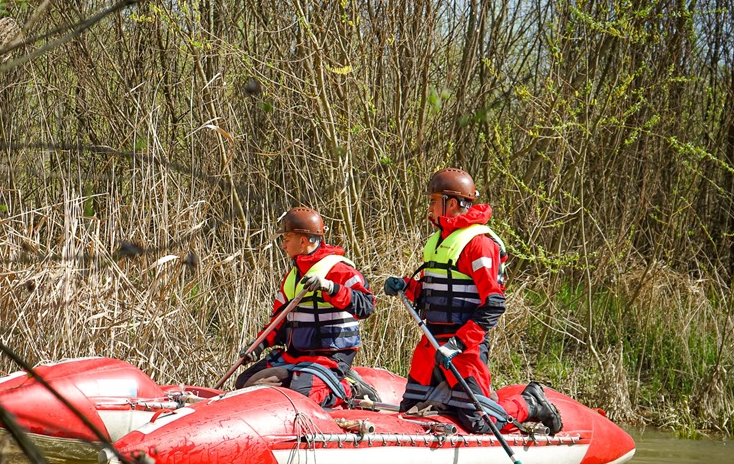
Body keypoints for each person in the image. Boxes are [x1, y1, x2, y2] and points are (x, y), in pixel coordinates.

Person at [383, 168, 562, 434]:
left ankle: (530, 403)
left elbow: (493, 304)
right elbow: (437, 295)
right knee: (410, 411)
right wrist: (408, 287)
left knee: (481, 423)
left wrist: (459, 343)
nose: (429, 207)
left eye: (433, 201)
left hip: (465, 347)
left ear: (451, 203)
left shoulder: (479, 244)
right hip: (431, 345)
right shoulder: (438, 241)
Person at [235, 206, 376, 407]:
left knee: (302, 397)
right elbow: (279, 321)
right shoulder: (292, 278)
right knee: (244, 384)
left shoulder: (339, 270)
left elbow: (366, 306)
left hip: (330, 358)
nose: (283, 245)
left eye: (286, 239)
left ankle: (351, 387)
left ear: (302, 240)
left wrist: (331, 288)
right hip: (294, 356)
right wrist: (259, 345)